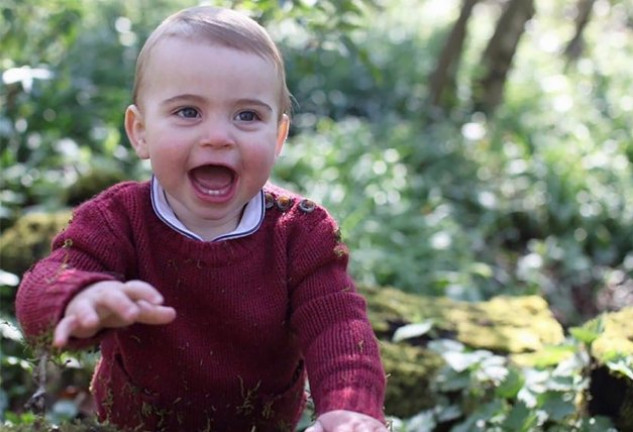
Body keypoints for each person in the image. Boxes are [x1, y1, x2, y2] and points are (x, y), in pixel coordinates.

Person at [15, 5, 387, 432]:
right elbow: (42, 288)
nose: (217, 137)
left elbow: (338, 325)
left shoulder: (300, 231)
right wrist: (78, 297)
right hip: (134, 424)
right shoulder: (116, 218)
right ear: (140, 132)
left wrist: (350, 408)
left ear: (279, 135)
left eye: (247, 115)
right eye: (188, 111)